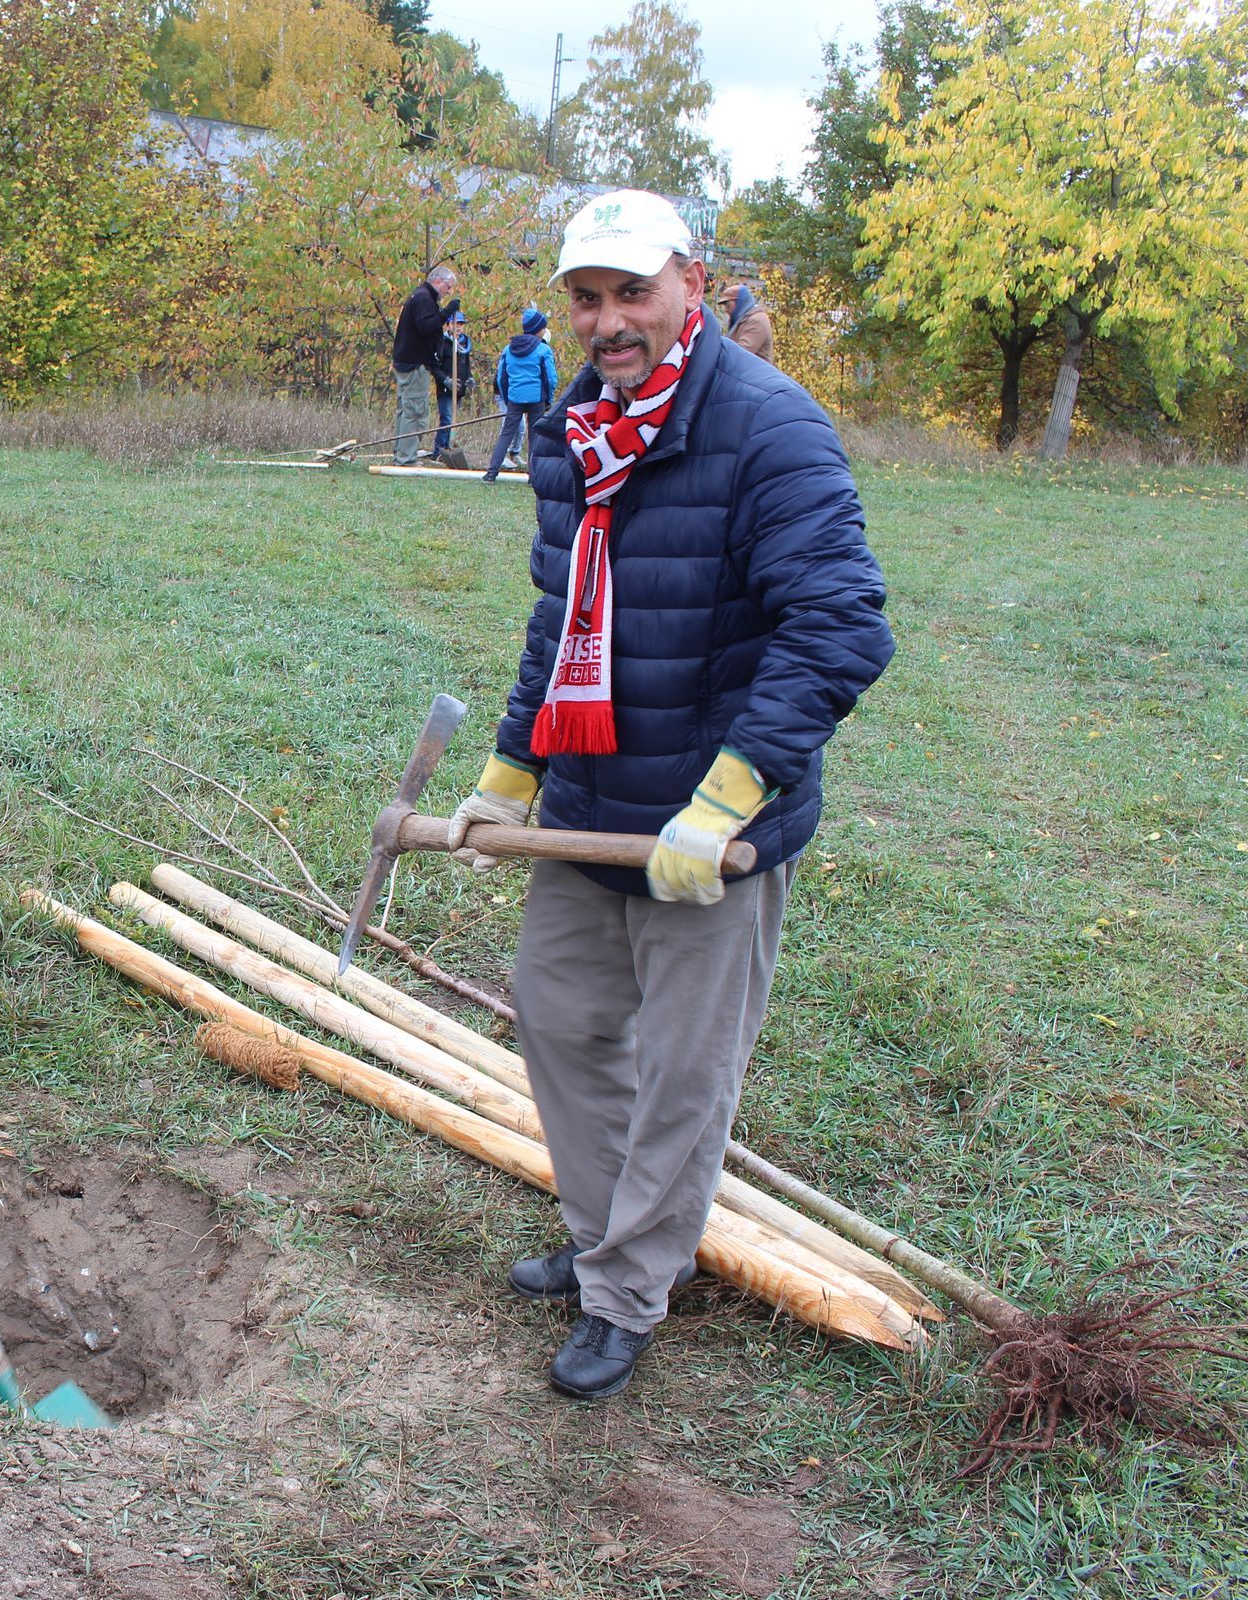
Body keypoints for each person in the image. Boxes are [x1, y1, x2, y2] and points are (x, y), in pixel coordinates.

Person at [443, 190, 892, 1399]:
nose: (605, 321)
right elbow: (561, 612)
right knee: (560, 1014)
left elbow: (842, 623)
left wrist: (729, 795)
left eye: (630, 292)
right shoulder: (581, 424)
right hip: (590, 799)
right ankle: (612, 1244)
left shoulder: (768, 429)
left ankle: (633, 1285)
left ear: (689, 280)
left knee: (686, 1066)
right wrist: (508, 772)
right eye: (586, 297)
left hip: (710, 827)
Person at [483, 306, 561, 482]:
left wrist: (508, 397)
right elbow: (550, 378)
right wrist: (549, 399)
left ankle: (491, 472)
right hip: (537, 399)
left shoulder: (508, 349)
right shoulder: (543, 350)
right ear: (537, 330)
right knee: (535, 437)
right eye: (543, 328)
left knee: (506, 434)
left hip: (515, 398)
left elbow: (502, 377)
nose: (545, 331)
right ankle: (533, 477)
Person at [391, 264, 459, 465]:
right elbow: (425, 326)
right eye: (448, 287)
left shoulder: (420, 296)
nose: (449, 292)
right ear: (438, 282)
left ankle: (400, 452)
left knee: (405, 409)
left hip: (407, 361)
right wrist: (446, 312)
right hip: (415, 364)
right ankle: (406, 458)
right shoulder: (424, 298)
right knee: (415, 411)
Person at [432, 307, 473, 459]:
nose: (458, 327)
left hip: (459, 390)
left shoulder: (465, 343)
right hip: (445, 389)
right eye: (455, 324)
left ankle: (449, 448)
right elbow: (435, 368)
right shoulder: (442, 343)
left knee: (454, 420)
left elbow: (466, 364)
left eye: (461, 324)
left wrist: (469, 378)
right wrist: (446, 380)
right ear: (448, 325)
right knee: (447, 420)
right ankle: (439, 451)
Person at [719, 278, 775, 364]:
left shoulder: (757, 320)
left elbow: (741, 354)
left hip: (756, 375)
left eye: (728, 305)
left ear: (740, 302)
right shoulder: (741, 320)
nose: (726, 310)